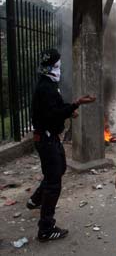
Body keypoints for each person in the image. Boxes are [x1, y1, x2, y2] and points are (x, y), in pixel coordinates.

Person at [28, 48, 96, 242]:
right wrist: (76, 104)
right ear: (49, 67)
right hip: (46, 138)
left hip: (50, 137)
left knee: (59, 169)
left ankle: (35, 200)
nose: (59, 69)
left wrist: (68, 110)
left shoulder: (48, 84)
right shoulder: (46, 87)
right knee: (54, 182)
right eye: (57, 66)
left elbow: (53, 108)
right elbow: (52, 114)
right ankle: (46, 229)